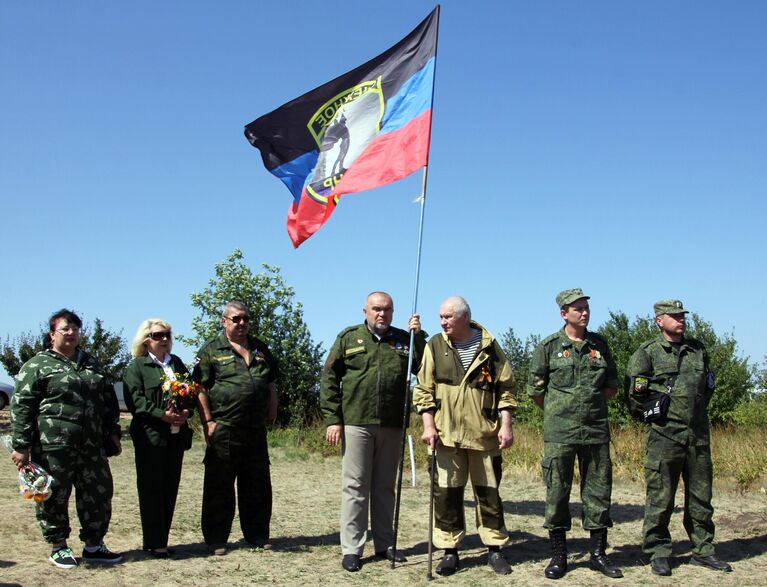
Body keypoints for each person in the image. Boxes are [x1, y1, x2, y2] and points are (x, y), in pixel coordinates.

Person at [8, 309, 123, 569]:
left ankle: (94, 545)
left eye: (75, 329)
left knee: (98, 494)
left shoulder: (91, 364)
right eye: (65, 329)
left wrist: (112, 432)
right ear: (52, 334)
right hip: (53, 446)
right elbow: (22, 406)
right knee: (54, 495)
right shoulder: (37, 365)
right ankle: (58, 546)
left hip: (91, 446)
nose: (71, 333)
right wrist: (21, 445)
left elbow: (108, 401)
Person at [320, 291, 425, 572]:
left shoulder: (404, 339)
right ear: (365, 311)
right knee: (355, 486)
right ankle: (352, 549)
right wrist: (333, 419)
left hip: (392, 423)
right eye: (376, 309)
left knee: (384, 487)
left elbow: (423, 369)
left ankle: (385, 545)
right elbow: (329, 377)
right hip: (356, 421)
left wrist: (419, 336)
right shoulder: (348, 338)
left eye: (387, 310)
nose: (382, 314)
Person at [627, 299, 732, 576]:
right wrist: (660, 418)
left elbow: (707, 387)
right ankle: (658, 551)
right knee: (661, 497)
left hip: (697, 435)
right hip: (664, 437)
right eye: (673, 316)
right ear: (660, 320)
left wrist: (692, 414)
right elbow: (636, 395)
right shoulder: (648, 352)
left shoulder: (697, 350)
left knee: (701, 496)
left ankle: (703, 550)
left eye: (682, 315)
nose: (681, 319)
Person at [413, 296, 517, 576]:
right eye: (441, 317)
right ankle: (449, 551)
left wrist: (506, 425)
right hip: (446, 436)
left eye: (447, 317)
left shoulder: (490, 346)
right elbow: (423, 390)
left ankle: (494, 550)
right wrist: (428, 426)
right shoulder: (435, 345)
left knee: (489, 494)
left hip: (485, 436)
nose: (442, 321)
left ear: (465, 316)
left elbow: (506, 390)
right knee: (447, 495)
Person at [527, 288, 622, 579]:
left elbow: (610, 385)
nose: (584, 312)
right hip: (561, 433)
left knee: (598, 493)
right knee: (557, 493)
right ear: (563, 313)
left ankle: (597, 554)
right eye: (577, 308)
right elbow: (536, 391)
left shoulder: (600, 345)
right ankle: (559, 555)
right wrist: (561, 410)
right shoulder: (549, 347)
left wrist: (588, 409)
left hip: (595, 431)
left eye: (586, 308)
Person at [193, 301, 279, 555]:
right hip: (225, 427)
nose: (242, 323)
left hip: (255, 429)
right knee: (219, 485)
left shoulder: (260, 348)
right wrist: (208, 421)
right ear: (224, 321)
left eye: (245, 319)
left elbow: (271, 381)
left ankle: (257, 534)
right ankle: (217, 539)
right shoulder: (211, 350)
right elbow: (199, 388)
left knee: (257, 485)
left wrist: (272, 408)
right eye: (236, 319)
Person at [123, 319, 194, 558]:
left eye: (167, 334)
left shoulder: (176, 364)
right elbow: (136, 401)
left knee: (169, 487)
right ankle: (155, 542)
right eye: (158, 335)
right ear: (146, 339)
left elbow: (190, 392)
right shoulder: (137, 366)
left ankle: (161, 539)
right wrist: (161, 415)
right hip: (150, 436)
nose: (164, 339)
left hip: (176, 436)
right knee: (151, 488)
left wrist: (185, 412)